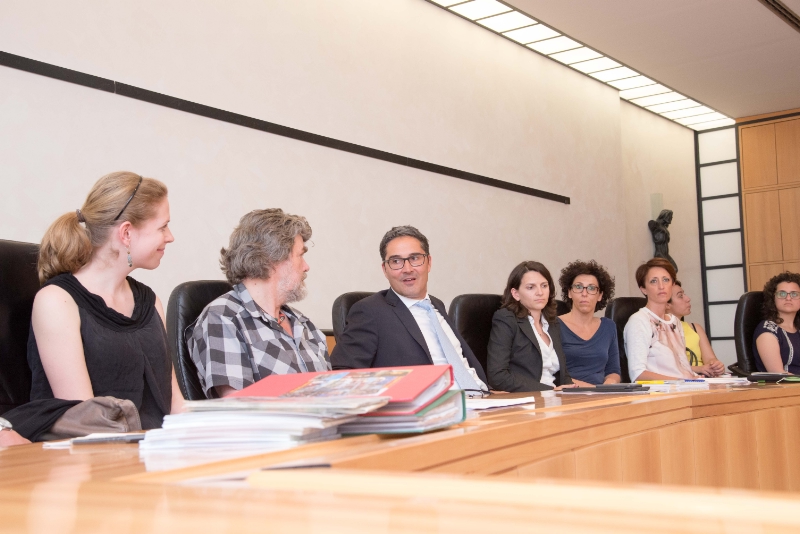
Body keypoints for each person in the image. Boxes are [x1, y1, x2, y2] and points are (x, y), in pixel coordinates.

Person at [20, 171, 183, 440]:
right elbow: (86, 421)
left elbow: (175, 406)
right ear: (126, 233)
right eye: (162, 227)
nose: (170, 237)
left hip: (153, 450)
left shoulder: (150, 302)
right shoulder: (57, 301)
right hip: (92, 456)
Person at [188, 209, 330, 398]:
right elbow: (237, 404)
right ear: (273, 259)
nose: (306, 267)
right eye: (300, 255)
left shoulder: (303, 324)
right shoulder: (223, 318)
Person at [330, 226, 488, 395]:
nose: (407, 269)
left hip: (483, 399)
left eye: (415, 258)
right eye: (396, 261)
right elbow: (342, 377)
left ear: (429, 263)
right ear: (385, 269)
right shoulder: (369, 311)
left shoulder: (437, 306)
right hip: (432, 405)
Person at [487, 261, 574, 392]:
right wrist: (550, 390)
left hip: (556, 396)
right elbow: (497, 376)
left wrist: (571, 390)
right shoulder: (506, 319)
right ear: (516, 294)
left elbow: (563, 374)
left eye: (544, 286)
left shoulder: (552, 322)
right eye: (530, 287)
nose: (540, 292)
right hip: (529, 398)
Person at [624, 258, 697, 382]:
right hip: (660, 391)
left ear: (672, 284)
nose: (661, 286)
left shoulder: (675, 322)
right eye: (654, 281)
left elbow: (682, 368)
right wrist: (680, 381)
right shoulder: (639, 321)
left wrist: (694, 377)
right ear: (643, 289)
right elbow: (637, 374)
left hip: (686, 387)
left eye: (666, 280)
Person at [557, 260, 621, 385]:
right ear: (569, 292)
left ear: (600, 295)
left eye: (591, 288)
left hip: (602, 393)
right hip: (568, 393)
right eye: (578, 287)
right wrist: (592, 389)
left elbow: (613, 370)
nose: (584, 293)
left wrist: (610, 383)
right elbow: (553, 374)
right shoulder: (554, 325)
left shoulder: (608, 326)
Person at [666, 281, 725, 377]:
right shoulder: (659, 330)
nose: (688, 299)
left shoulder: (695, 328)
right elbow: (664, 368)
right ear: (667, 304)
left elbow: (710, 359)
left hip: (704, 380)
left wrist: (715, 365)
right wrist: (699, 369)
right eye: (680, 296)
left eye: (684, 294)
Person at [753, 272, 800, 374]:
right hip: (787, 383)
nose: (788, 298)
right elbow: (778, 374)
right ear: (773, 298)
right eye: (782, 294)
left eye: (794, 294)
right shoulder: (767, 331)